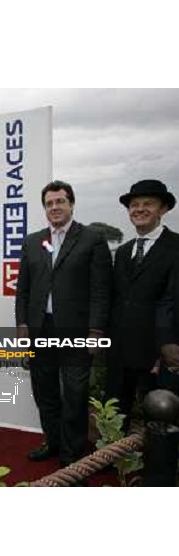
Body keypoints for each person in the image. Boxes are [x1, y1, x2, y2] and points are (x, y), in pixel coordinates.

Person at [16, 180, 112, 468]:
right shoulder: (32, 241)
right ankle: (53, 441)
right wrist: (22, 324)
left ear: (71, 204)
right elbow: (23, 289)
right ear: (44, 207)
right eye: (49, 203)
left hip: (77, 332)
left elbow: (100, 290)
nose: (54, 207)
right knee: (44, 390)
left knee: (74, 393)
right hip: (40, 329)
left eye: (60, 202)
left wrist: (96, 331)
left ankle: (73, 455)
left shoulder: (92, 239)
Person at [105, 179, 179, 420]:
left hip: (159, 354)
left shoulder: (176, 247)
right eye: (134, 205)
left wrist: (167, 346)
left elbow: (171, 301)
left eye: (148, 203)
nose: (139, 209)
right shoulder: (124, 251)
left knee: (159, 419)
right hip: (120, 351)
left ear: (163, 209)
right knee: (115, 416)